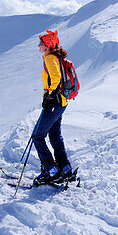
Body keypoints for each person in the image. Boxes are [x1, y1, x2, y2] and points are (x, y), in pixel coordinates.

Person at [33, 30, 73, 185]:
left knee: (37, 136)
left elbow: (55, 77)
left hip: (54, 102)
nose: (39, 46)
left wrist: (49, 95)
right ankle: (65, 168)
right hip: (61, 102)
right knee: (55, 135)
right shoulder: (56, 56)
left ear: (47, 45)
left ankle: (51, 170)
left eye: (41, 44)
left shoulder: (50, 57)